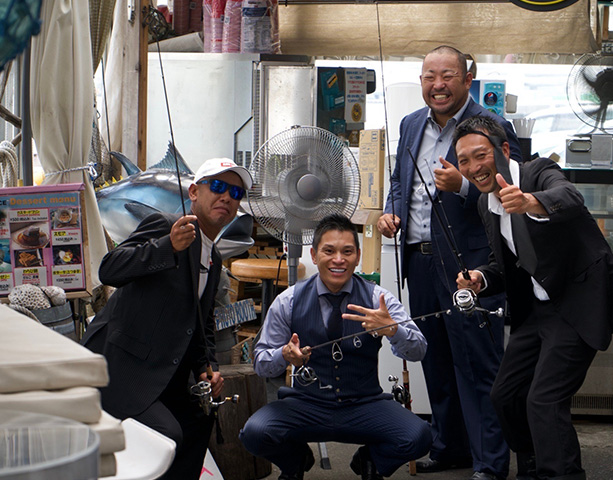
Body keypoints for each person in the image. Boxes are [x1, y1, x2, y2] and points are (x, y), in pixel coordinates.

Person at [454, 115, 613, 480]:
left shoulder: (538, 172)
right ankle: (533, 467)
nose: (473, 168)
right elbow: (502, 265)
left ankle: (562, 474)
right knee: (505, 395)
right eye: (464, 161)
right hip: (537, 309)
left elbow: (570, 197)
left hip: (577, 301)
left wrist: (530, 201)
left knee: (544, 399)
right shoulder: (485, 205)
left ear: (504, 150)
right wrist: (479, 280)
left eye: (480, 155)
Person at [377, 45, 520, 480]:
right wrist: (390, 211)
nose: (437, 85)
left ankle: (490, 462)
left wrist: (462, 185)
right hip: (418, 260)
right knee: (435, 360)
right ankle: (450, 447)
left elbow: (510, 191)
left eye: (447, 76)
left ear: (467, 79)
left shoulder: (491, 126)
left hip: (469, 266)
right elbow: (399, 181)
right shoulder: (410, 123)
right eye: (429, 76)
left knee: (477, 363)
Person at [82, 158, 253, 479]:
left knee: (201, 419)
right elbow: (110, 269)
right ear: (194, 192)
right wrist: (167, 246)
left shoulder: (214, 258)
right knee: (167, 435)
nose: (226, 197)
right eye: (218, 186)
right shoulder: (165, 225)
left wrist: (208, 368)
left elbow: (202, 324)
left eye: (235, 193)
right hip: (120, 367)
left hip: (165, 372)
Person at [239, 213, 432, 480]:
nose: (338, 259)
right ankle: (296, 461)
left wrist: (393, 329)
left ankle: (369, 460)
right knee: (254, 433)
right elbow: (260, 363)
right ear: (314, 255)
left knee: (419, 437)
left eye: (347, 252)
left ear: (358, 256)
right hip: (306, 404)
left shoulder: (379, 298)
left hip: (364, 404)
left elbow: (419, 350)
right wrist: (283, 355)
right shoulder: (288, 300)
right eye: (329, 251)